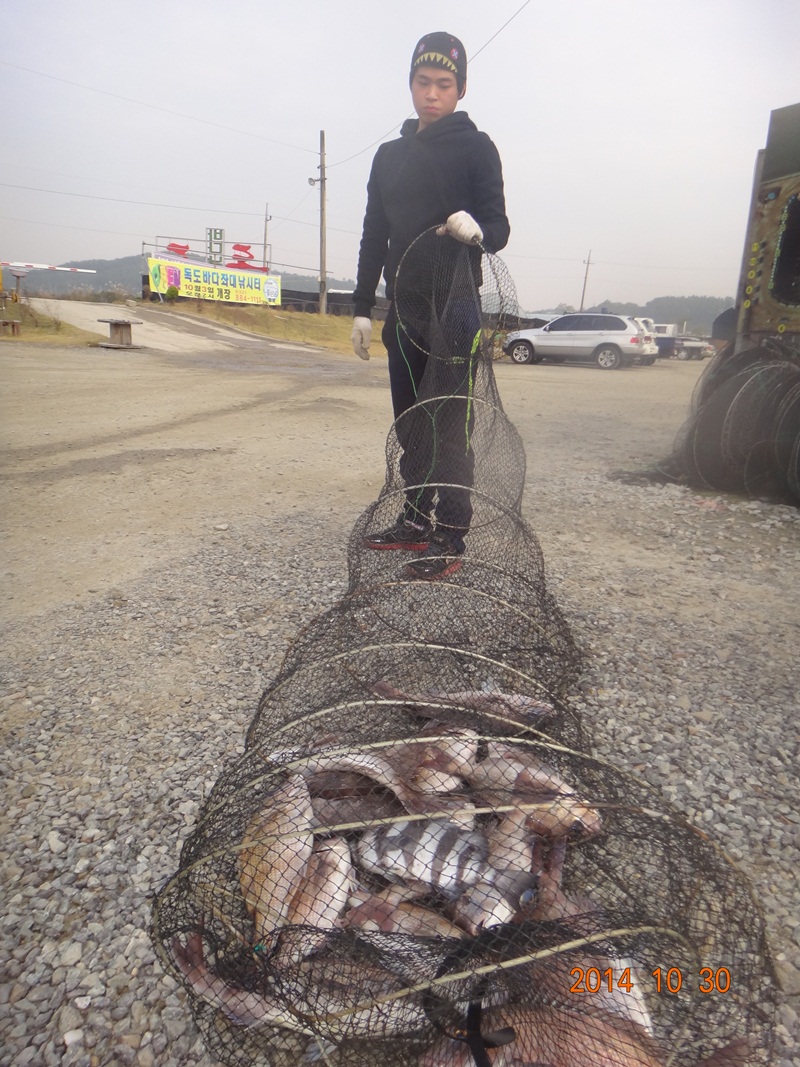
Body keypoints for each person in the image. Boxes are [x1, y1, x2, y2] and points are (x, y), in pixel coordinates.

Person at [351, 31, 510, 579]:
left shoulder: (477, 147)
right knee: (410, 421)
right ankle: (416, 518)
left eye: (444, 84)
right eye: (424, 82)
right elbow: (373, 234)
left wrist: (476, 229)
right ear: (411, 84)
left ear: (460, 89)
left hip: (455, 307)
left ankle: (450, 533)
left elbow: (499, 230)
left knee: (450, 423)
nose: (433, 93)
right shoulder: (389, 156)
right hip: (404, 308)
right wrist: (361, 308)